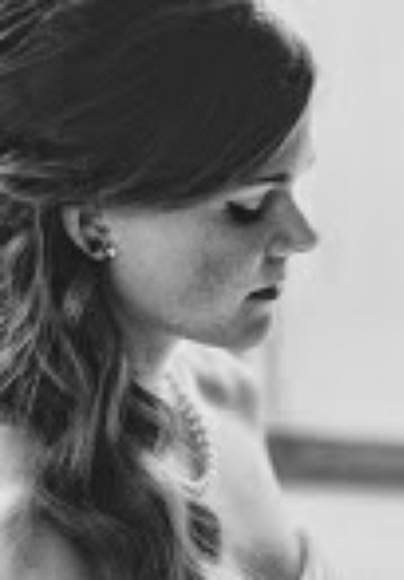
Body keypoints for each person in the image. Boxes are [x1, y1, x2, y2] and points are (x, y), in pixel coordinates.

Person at [0, 0, 336, 578]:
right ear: (93, 225)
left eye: (297, 185)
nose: (302, 237)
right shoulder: (30, 531)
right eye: (249, 205)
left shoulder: (225, 393)